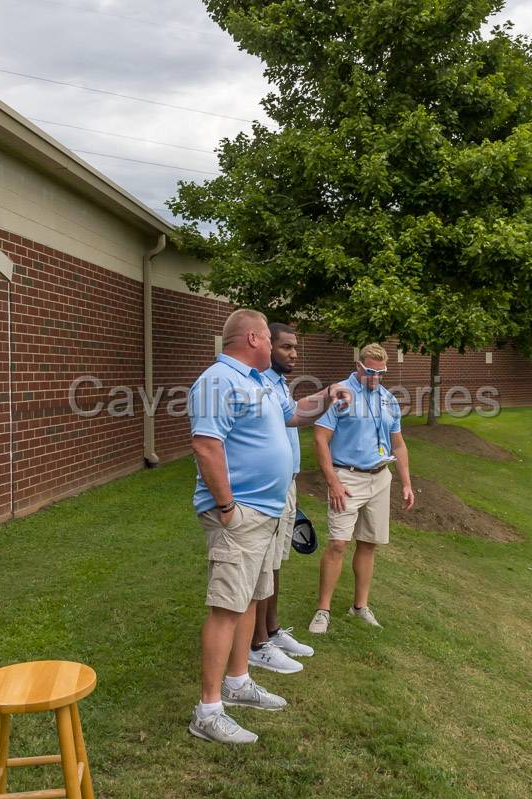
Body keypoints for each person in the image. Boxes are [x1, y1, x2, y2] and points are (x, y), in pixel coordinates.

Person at [188, 309, 349, 745]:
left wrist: (331, 394)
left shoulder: (260, 382)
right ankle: (207, 711)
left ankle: (239, 682)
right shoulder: (218, 380)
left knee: (247, 602)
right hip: (239, 514)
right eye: (270, 338)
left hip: (266, 511)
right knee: (226, 607)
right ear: (256, 338)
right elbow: (206, 445)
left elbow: (294, 415)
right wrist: (227, 508)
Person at [308, 343, 414, 635]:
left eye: (381, 373)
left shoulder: (388, 399)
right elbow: (319, 438)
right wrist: (333, 482)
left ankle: (359, 607)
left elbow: (398, 444)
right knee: (338, 543)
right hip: (348, 478)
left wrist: (405, 482)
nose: (375, 378)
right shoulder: (340, 393)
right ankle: (323, 609)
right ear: (358, 366)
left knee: (368, 544)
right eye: (370, 372)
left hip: (380, 478)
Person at [247, 323, 314, 675]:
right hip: (267, 488)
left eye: (295, 347)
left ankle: (271, 631)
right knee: (262, 566)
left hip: (286, 484)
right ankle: (256, 644)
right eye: (287, 347)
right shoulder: (257, 384)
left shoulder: (279, 385)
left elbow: (294, 419)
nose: (293, 353)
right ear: (268, 346)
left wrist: (331, 398)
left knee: (276, 563)